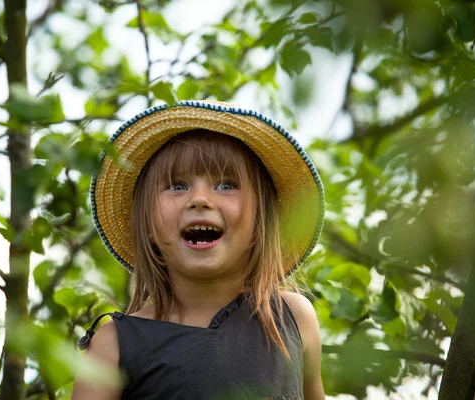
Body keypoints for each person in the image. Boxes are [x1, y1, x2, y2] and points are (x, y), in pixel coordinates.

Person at [72, 100, 325, 400]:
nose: (200, 199)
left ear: (262, 221)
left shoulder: (293, 319)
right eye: (177, 186)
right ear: (149, 224)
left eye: (226, 185)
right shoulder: (112, 344)